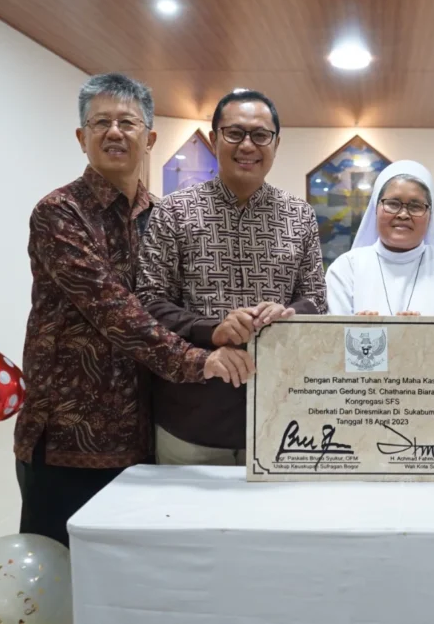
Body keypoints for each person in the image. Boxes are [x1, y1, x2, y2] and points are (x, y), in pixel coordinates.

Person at [13, 73, 251, 549]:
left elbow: (176, 304)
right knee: (59, 582)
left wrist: (229, 325)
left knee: (128, 579)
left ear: (151, 137)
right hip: (68, 434)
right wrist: (200, 359)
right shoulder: (59, 213)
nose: (115, 132)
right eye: (101, 123)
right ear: (82, 138)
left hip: (144, 433)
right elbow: (113, 308)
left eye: (127, 122)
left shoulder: (162, 217)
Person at [137, 89, 326, 466]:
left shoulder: (299, 215)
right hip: (191, 418)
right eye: (234, 133)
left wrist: (290, 313)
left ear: (276, 143)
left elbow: (317, 300)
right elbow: (148, 302)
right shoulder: (174, 211)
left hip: (281, 418)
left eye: (260, 135)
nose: (247, 145)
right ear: (213, 139)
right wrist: (212, 330)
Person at [325, 160, 434, 317]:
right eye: (393, 204)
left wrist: (417, 335)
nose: (403, 214)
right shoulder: (346, 268)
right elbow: (332, 338)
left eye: (415, 206)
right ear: (376, 208)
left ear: (430, 214)